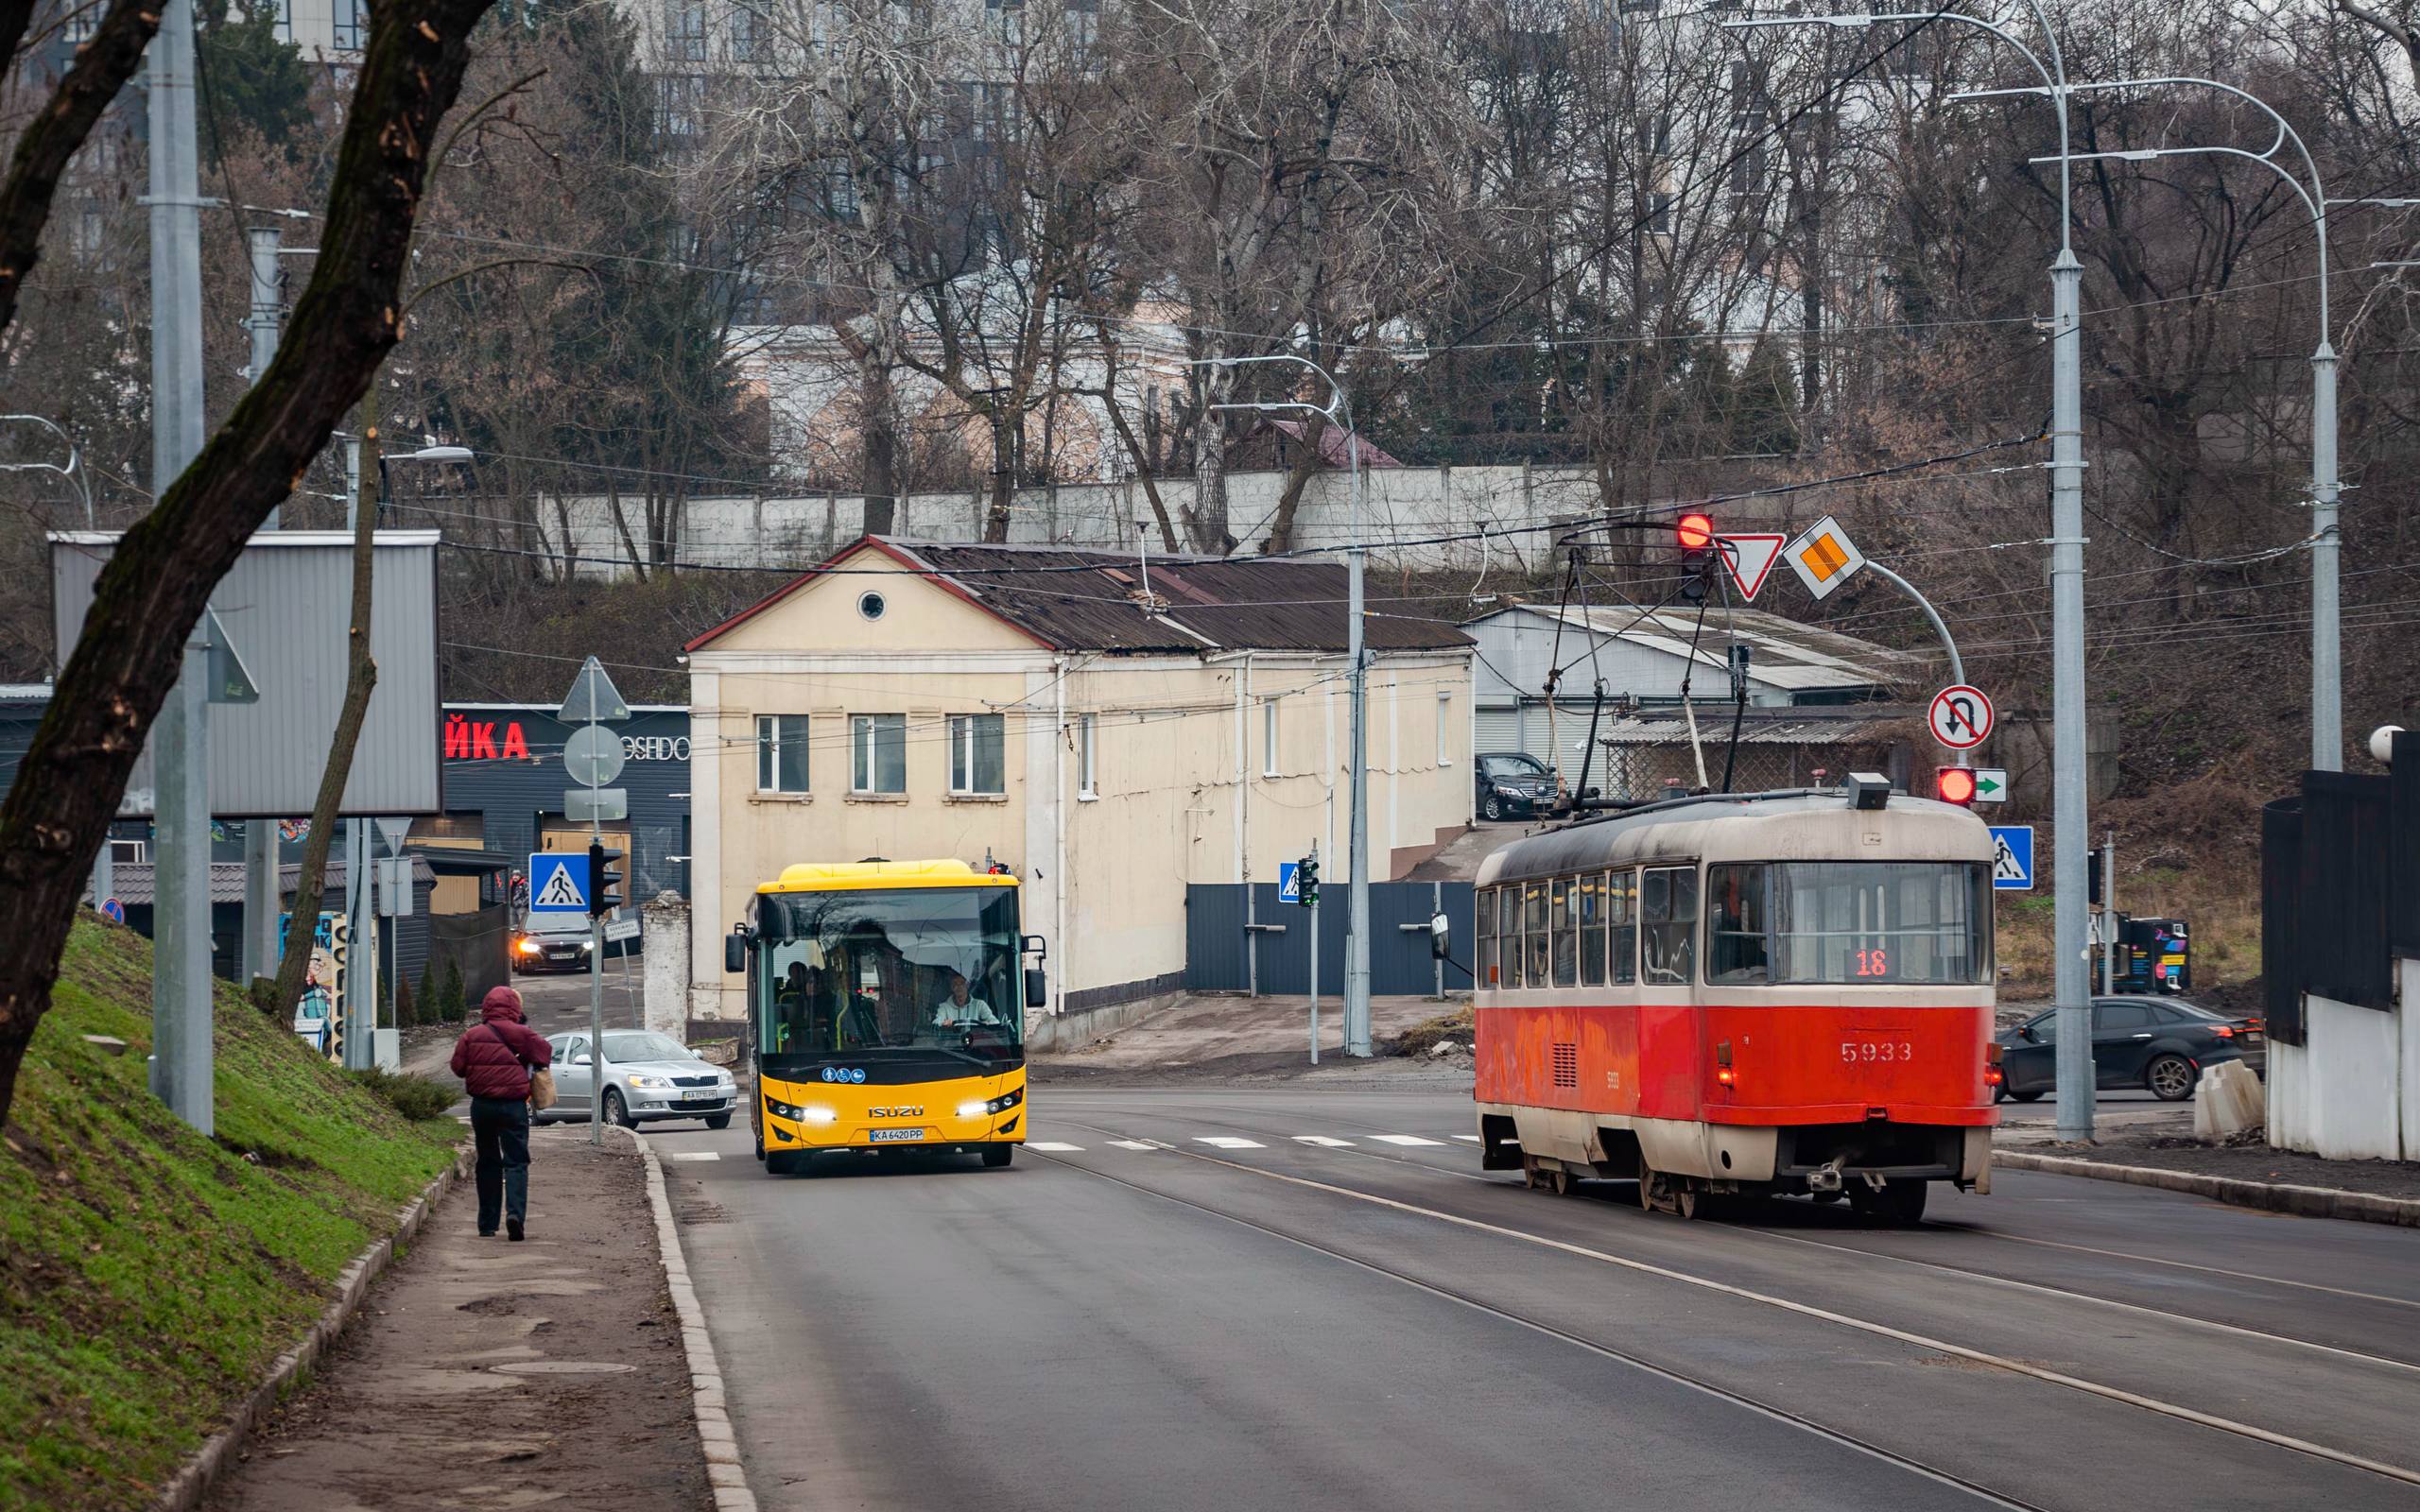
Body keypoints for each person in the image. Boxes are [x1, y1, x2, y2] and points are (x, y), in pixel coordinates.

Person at [450, 985, 553, 1241]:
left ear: (486, 1007)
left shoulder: (471, 1035)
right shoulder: (523, 1033)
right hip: (513, 1106)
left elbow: (458, 1068)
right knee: (516, 1161)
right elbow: (544, 1055)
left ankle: (487, 1224)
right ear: (514, 1008)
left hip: (482, 1106)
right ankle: (515, 1215)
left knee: (487, 1162)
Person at [930, 971, 999, 1029]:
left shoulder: (980, 1004)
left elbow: (995, 1022)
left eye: (962, 983)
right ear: (952, 987)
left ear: (967, 985)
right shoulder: (944, 1007)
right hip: (952, 1043)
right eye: (955, 984)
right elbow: (936, 1023)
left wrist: (985, 1024)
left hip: (976, 1043)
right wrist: (943, 1023)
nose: (959, 986)